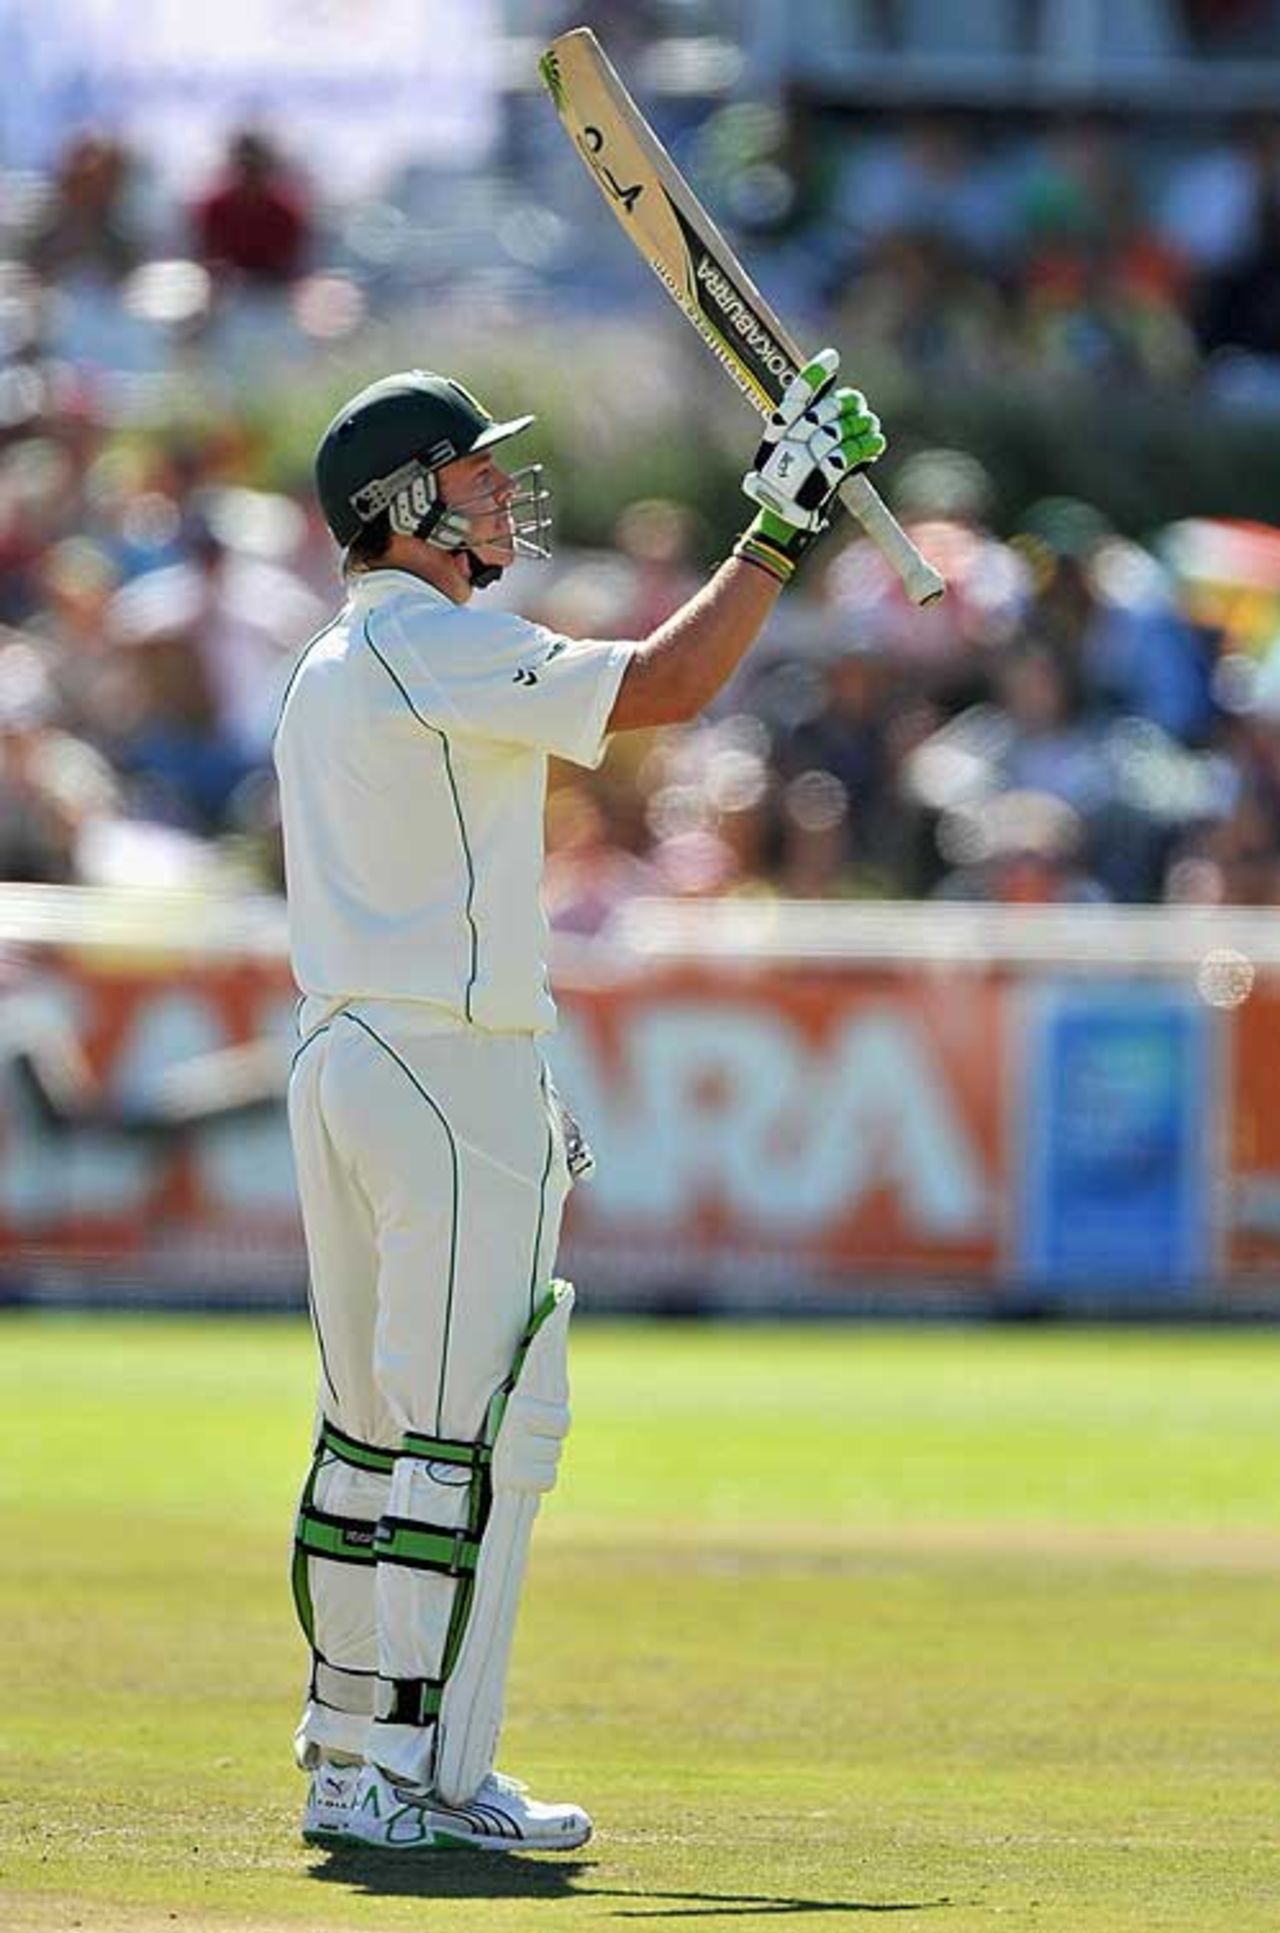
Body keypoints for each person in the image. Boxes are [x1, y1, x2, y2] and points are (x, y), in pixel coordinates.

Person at [274, 356, 885, 1854]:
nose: (499, 491)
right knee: (469, 1432)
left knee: (368, 1430)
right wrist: (782, 521)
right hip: (448, 1064)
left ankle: (349, 1751)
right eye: (471, 472)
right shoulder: (427, 643)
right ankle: (427, 1772)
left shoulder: (333, 658)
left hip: (345, 1060)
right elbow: (668, 688)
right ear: (403, 504)